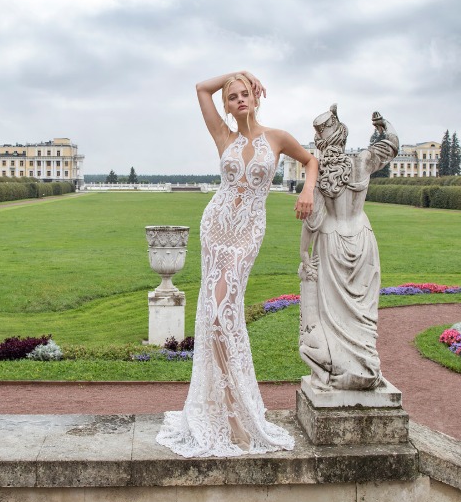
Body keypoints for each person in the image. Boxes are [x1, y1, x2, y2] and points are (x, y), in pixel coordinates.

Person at [157, 71, 318, 457]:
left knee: (223, 314)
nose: (239, 100)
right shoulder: (223, 137)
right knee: (214, 316)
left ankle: (238, 410)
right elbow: (200, 88)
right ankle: (228, 413)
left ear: (257, 98)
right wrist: (233, 73)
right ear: (227, 106)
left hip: (247, 233)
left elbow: (311, 160)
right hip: (216, 227)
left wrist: (307, 189)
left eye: (246, 94)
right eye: (233, 97)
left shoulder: (277, 138)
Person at [298, 106, 399, 391]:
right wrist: (383, 125)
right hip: (363, 237)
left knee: (335, 316)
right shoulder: (362, 160)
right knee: (362, 313)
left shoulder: (319, 173)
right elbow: (391, 144)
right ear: (342, 135)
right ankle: (366, 366)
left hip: (332, 241)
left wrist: (304, 254)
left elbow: (313, 222)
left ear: (321, 142)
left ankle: (340, 369)